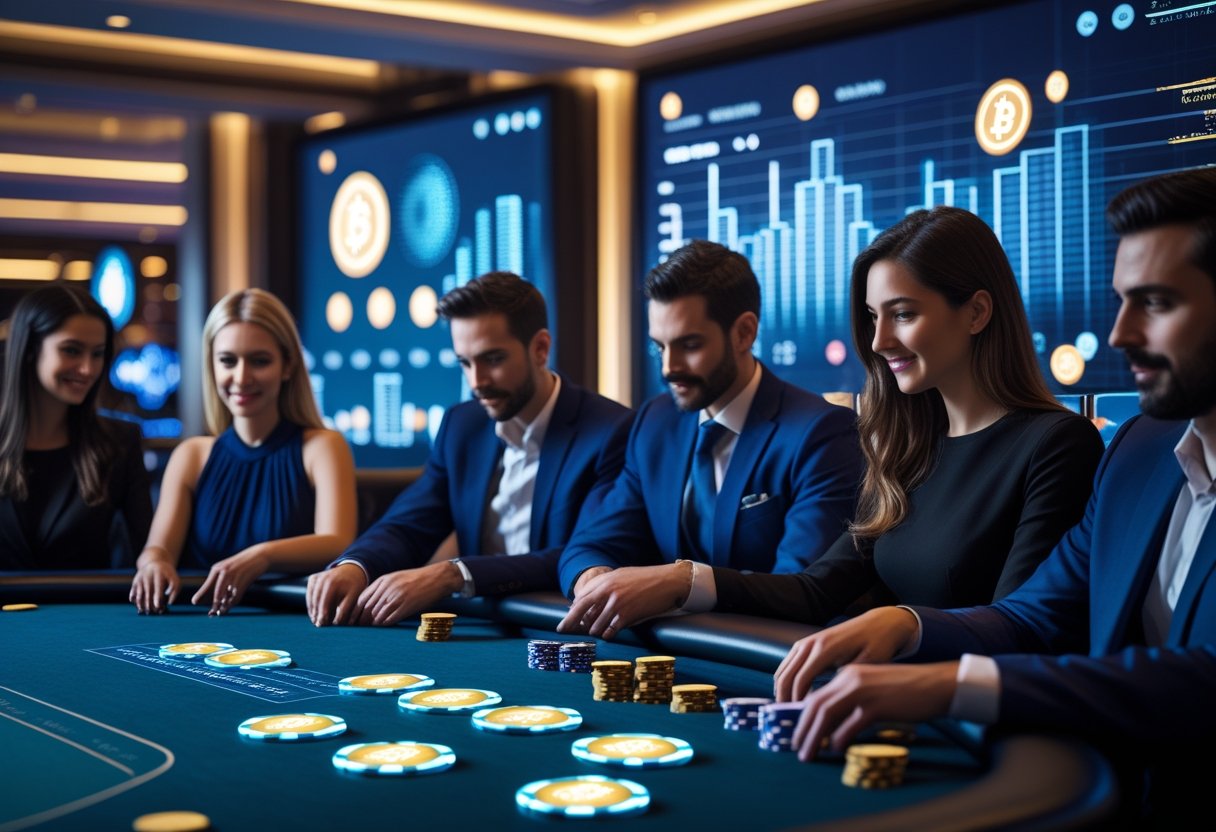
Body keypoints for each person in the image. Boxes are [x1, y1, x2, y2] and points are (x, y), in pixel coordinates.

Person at [773, 167, 1216, 827]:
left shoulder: (1062, 444)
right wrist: (909, 625)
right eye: (1122, 300)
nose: (1120, 333)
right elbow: (1034, 615)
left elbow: (1202, 678)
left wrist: (950, 683)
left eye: (1154, 302)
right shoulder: (1139, 452)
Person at [567, 207, 1101, 633]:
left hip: (970, 720)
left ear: (978, 313)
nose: (878, 341)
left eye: (904, 314)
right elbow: (815, 590)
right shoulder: (910, 448)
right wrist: (684, 580)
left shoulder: (1057, 445)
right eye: (873, 317)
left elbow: (1021, 629)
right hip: (885, 700)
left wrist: (896, 625)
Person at [557, 240, 863, 640]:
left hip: (770, 669)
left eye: (690, 345)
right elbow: (590, 542)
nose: (669, 368)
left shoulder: (822, 432)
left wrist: (682, 581)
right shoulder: (654, 422)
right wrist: (593, 579)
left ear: (744, 332)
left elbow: (803, 591)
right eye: (660, 346)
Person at [306, 271, 632, 627]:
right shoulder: (462, 424)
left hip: (565, 629)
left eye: (493, 359)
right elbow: (409, 524)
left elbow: (582, 553)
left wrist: (452, 575)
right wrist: (356, 565)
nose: (476, 382)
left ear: (540, 348)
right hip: (481, 627)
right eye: (465, 362)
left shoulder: (612, 431)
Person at [129, 288, 356, 615]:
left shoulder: (323, 446)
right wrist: (152, 563)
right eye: (228, 360)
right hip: (205, 628)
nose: (241, 377)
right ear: (213, 365)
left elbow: (338, 541)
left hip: (299, 626)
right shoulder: (192, 455)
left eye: (259, 361)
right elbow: (158, 549)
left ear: (288, 365)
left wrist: (262, 556)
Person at [0, 285, 152, 570]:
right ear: (31, 349)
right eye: (71, 350)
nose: (87, 369)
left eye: (97, 354)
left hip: (86, 611)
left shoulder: (120, 441)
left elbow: (147, 551)